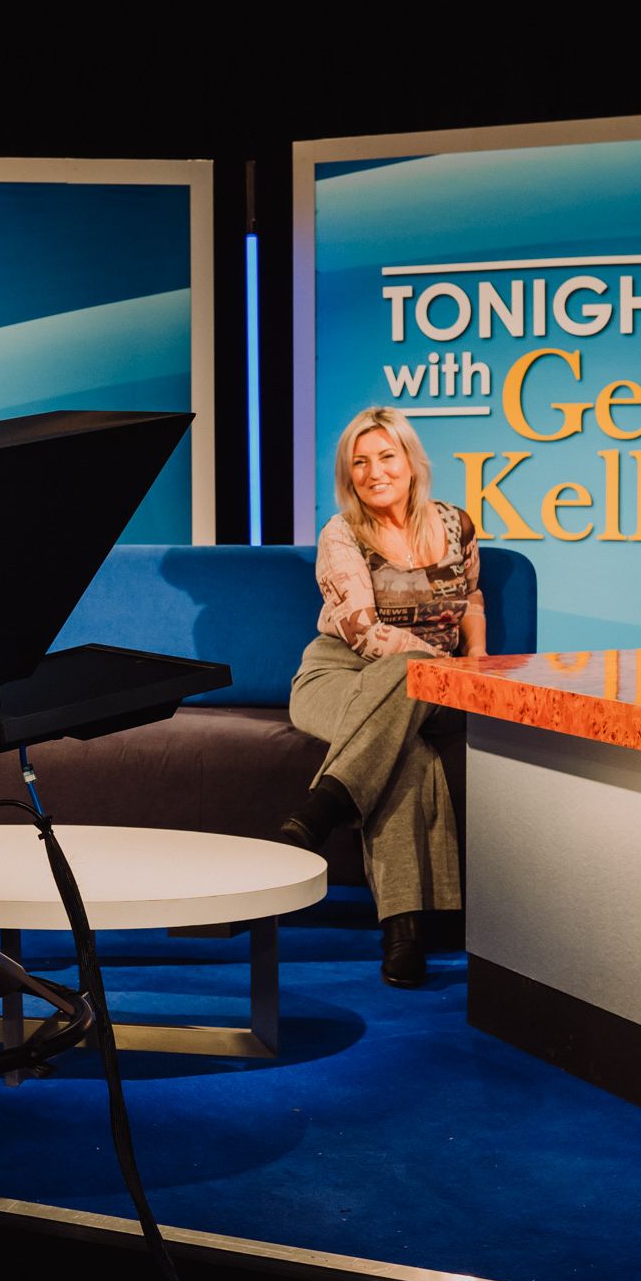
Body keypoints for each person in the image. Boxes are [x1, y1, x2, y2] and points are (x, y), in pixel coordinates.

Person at [284, 406, 485, 989]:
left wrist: (474, 669)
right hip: (337, 676)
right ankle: (405, 932)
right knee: (408, 752)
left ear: (411, 459)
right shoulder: (341, 532)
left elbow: (473, 600)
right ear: (350, 474)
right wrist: (436, 666)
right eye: (360, 462)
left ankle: (326, 804)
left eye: (386, 456)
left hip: (433, 687)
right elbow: (363, 632)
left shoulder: (456, 525)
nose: (375, 471)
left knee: (408, 706)